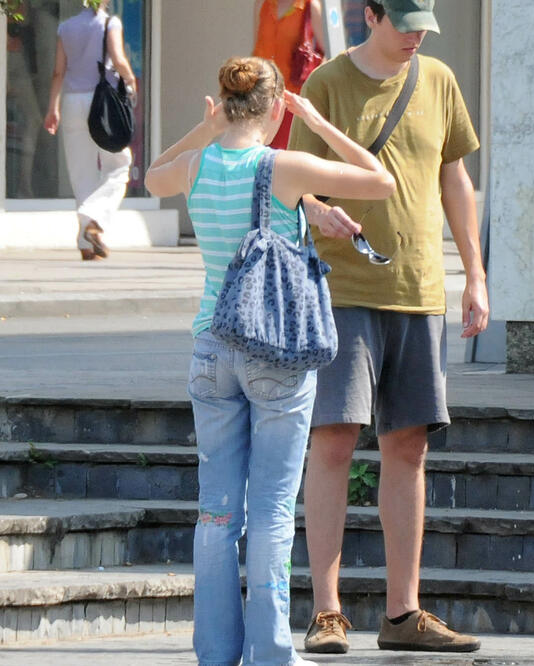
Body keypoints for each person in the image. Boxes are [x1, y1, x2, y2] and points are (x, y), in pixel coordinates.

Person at [144, 56, 394, 666]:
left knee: (216, 510)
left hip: (210, 345)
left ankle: (215, 654)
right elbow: (380, 180)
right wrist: (317, 120)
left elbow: (151, 174)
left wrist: (206, 128)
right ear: (277, 106)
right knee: (274, 508)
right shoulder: (285, 166)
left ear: (225, 103)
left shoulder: (195, 166)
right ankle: (270, 654)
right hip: (275, 350)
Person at [287, 0, 488, 655]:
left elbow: (455, 179)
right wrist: (318, 213)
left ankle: (403, 612)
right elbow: (291, 185)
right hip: (342, 290)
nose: (414, 38)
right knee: (334, 441)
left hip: (420, 290)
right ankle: (326, 611)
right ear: (369, 14)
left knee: (409, 448)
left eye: (422, 27)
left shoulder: (439, 81)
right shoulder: (327, 84)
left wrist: (475, 276)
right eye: (403, 24)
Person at [44, 0, 136, 261]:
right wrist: (130, 82)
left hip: (72, 101)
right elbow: (118, 59)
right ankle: (94, 219)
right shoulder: (110, 22)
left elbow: (57, 72)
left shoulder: (66, 27)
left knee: (80, 171)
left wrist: (53, 107)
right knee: (119, 164)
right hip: (102, 103)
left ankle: (85, 242)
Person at [253, 0, 327, 148]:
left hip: (292, 100)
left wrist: (312, 87)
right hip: (261, 96)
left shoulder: (310, 6)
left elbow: (327, 54)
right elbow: (258, 48)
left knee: (285, 153)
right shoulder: (262, 4)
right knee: (259, 154)